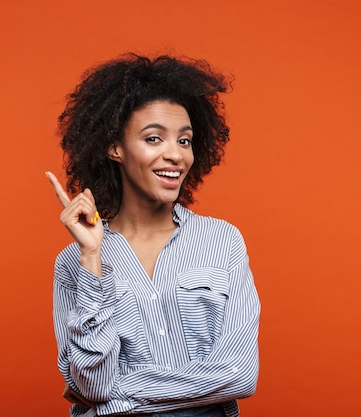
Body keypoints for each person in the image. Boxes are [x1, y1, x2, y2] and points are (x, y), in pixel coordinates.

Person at [46, 53, 261, 417]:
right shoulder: (74, 263)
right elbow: (91, 384)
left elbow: (239, 375)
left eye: (184, 141)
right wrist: (92, 258)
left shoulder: (222, 242)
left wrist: (119, 394)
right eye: (153, 138)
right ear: (115, 147)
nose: (175, 155)